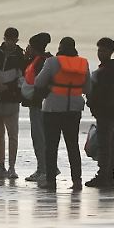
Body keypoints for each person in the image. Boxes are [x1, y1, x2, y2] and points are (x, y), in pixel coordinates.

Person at [33, 37, 91, 190]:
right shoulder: (83, 63)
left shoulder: (53, 62)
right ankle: (77, 181)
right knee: (73, 146)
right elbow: (87, 88)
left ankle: (51, 181)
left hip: (52, 108)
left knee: (51, 146)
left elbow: (39, 82)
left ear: (60, 47)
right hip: (74, 109)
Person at [0, 27, 24, 179]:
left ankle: (12, 168)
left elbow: (22, 79)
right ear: (4, 38)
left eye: (13, 40)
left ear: (16, 40)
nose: (10, 42)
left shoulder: (20, 56)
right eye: (8, 39)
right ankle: (1, 166)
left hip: (12, 100)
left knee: (12, 135)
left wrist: (6, 87)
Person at [85, 37, 114, 187]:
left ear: (111, 52)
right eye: (99, 50)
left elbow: (101, 93)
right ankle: (107, 174)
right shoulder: (113, 70)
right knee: (108, 142)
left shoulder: (107, 72)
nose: (100, 53)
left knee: (105, 143)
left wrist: (93, 103)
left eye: (104, 50)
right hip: (109, 111)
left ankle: (104, 175)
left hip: (105, 111)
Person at [21, 32, 52, 182]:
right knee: (42, 137)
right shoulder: (40, 60)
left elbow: (41, 84)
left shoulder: (40, 62)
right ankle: (47, 168)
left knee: (39, 138)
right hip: (39, 104)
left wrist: (34, 98)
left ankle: (43, 170)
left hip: (38, 105)